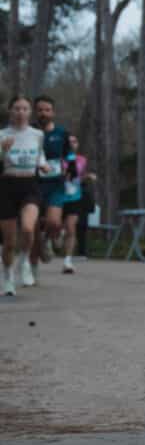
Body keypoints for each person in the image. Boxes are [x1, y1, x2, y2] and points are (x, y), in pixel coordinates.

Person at [2, 95, 46, 298]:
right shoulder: (2, 135)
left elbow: (40, 154)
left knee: (29, 227)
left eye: (25, 109)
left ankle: (25, 260)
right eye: (17, 108)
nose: (21, 112)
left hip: (29, 185)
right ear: (10, 111)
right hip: (7, 186)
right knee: (9, 242)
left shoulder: (37, 134)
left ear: (30, 112)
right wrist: (3, 152)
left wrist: (43, 164)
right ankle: (8, 277)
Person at [30, 94, 71, 269]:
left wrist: (70, 169)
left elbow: (69, 155)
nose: (43, 113)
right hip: (34, 184)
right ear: (35, 112)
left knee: (54, 221)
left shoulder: (61, 133)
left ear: (53, 112)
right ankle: (32, 268)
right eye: (40, 110)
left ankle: (50, 236)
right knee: (33, 227)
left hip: (55, 183)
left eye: (47, 110)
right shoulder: (30, 132)